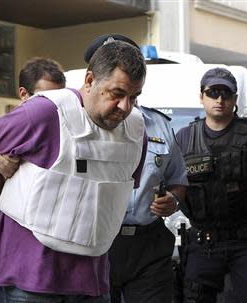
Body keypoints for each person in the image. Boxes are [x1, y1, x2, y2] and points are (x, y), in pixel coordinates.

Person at [0, 39, 148, 302]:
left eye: (134, 97)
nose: (125, 107)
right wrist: (9, 204)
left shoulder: (135, 131)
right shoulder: (42, 113)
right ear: (90, 81)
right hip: (28, 277)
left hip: (92, 282)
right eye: (116, 93)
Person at [83, 34, 188, 303]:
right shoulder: (78, 125)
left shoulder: (159, 125)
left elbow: (179, 178)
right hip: (97, 244)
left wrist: (173, 200)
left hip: (147, 246)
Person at [0, 57, 66, 303]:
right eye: (45, 98)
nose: (53, 106)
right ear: (24, 94)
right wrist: (9, 179)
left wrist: (19, 171)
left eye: (60, 97)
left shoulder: (68, 129)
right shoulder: (11, 127)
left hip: (43, 250)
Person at [176, 67, 247, 303]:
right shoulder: (183, 138)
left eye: (226, 94)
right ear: (201, 97)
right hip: (204, 243)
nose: (219, 99)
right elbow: (172, 182)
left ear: (235, 99)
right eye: (213, 92)